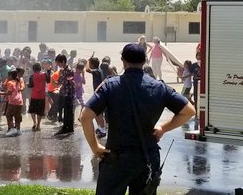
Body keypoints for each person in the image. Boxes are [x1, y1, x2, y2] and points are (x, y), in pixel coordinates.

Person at [80, 43, 196, 195]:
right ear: (145, 61)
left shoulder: (110, 85)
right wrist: (163, 128)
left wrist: (95, 147)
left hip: (117, 157)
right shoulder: (159, 87)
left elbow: (85, 117)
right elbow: (189, 111)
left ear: (123, 61)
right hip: (147, 157)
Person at [54, 54, 75, 135]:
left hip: (69, 94)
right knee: (66, 111)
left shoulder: (69, 70)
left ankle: (68, 128)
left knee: (68, 111)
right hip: (63, 93)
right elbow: (59, 82)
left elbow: (72, 83)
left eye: (58, 63)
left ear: (63, 62)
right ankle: (67, 127)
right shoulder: (62, 70)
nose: (58, 65)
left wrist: (71, 82)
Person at [2, 68, 25, 136]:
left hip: (13, 101)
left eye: (8, 75)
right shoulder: (18, 81)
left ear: (11, 76)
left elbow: (9, 92)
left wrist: (1, 93)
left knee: (9, 115)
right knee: (17, 116)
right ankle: (18, 130)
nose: (7, 77)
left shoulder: (10, 82)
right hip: (20, 101)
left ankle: (12, 129)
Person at [28, 62, 46, 132]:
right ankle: (38, 125)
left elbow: (31, 85)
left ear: (33, 69)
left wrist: (27, 85)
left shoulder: (32, 76)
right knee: (40, 111)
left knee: (33, 110)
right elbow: (48, 80)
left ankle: (34, 122)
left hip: (34, 96)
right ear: (40, 68)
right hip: (42, 96)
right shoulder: (44, 75)